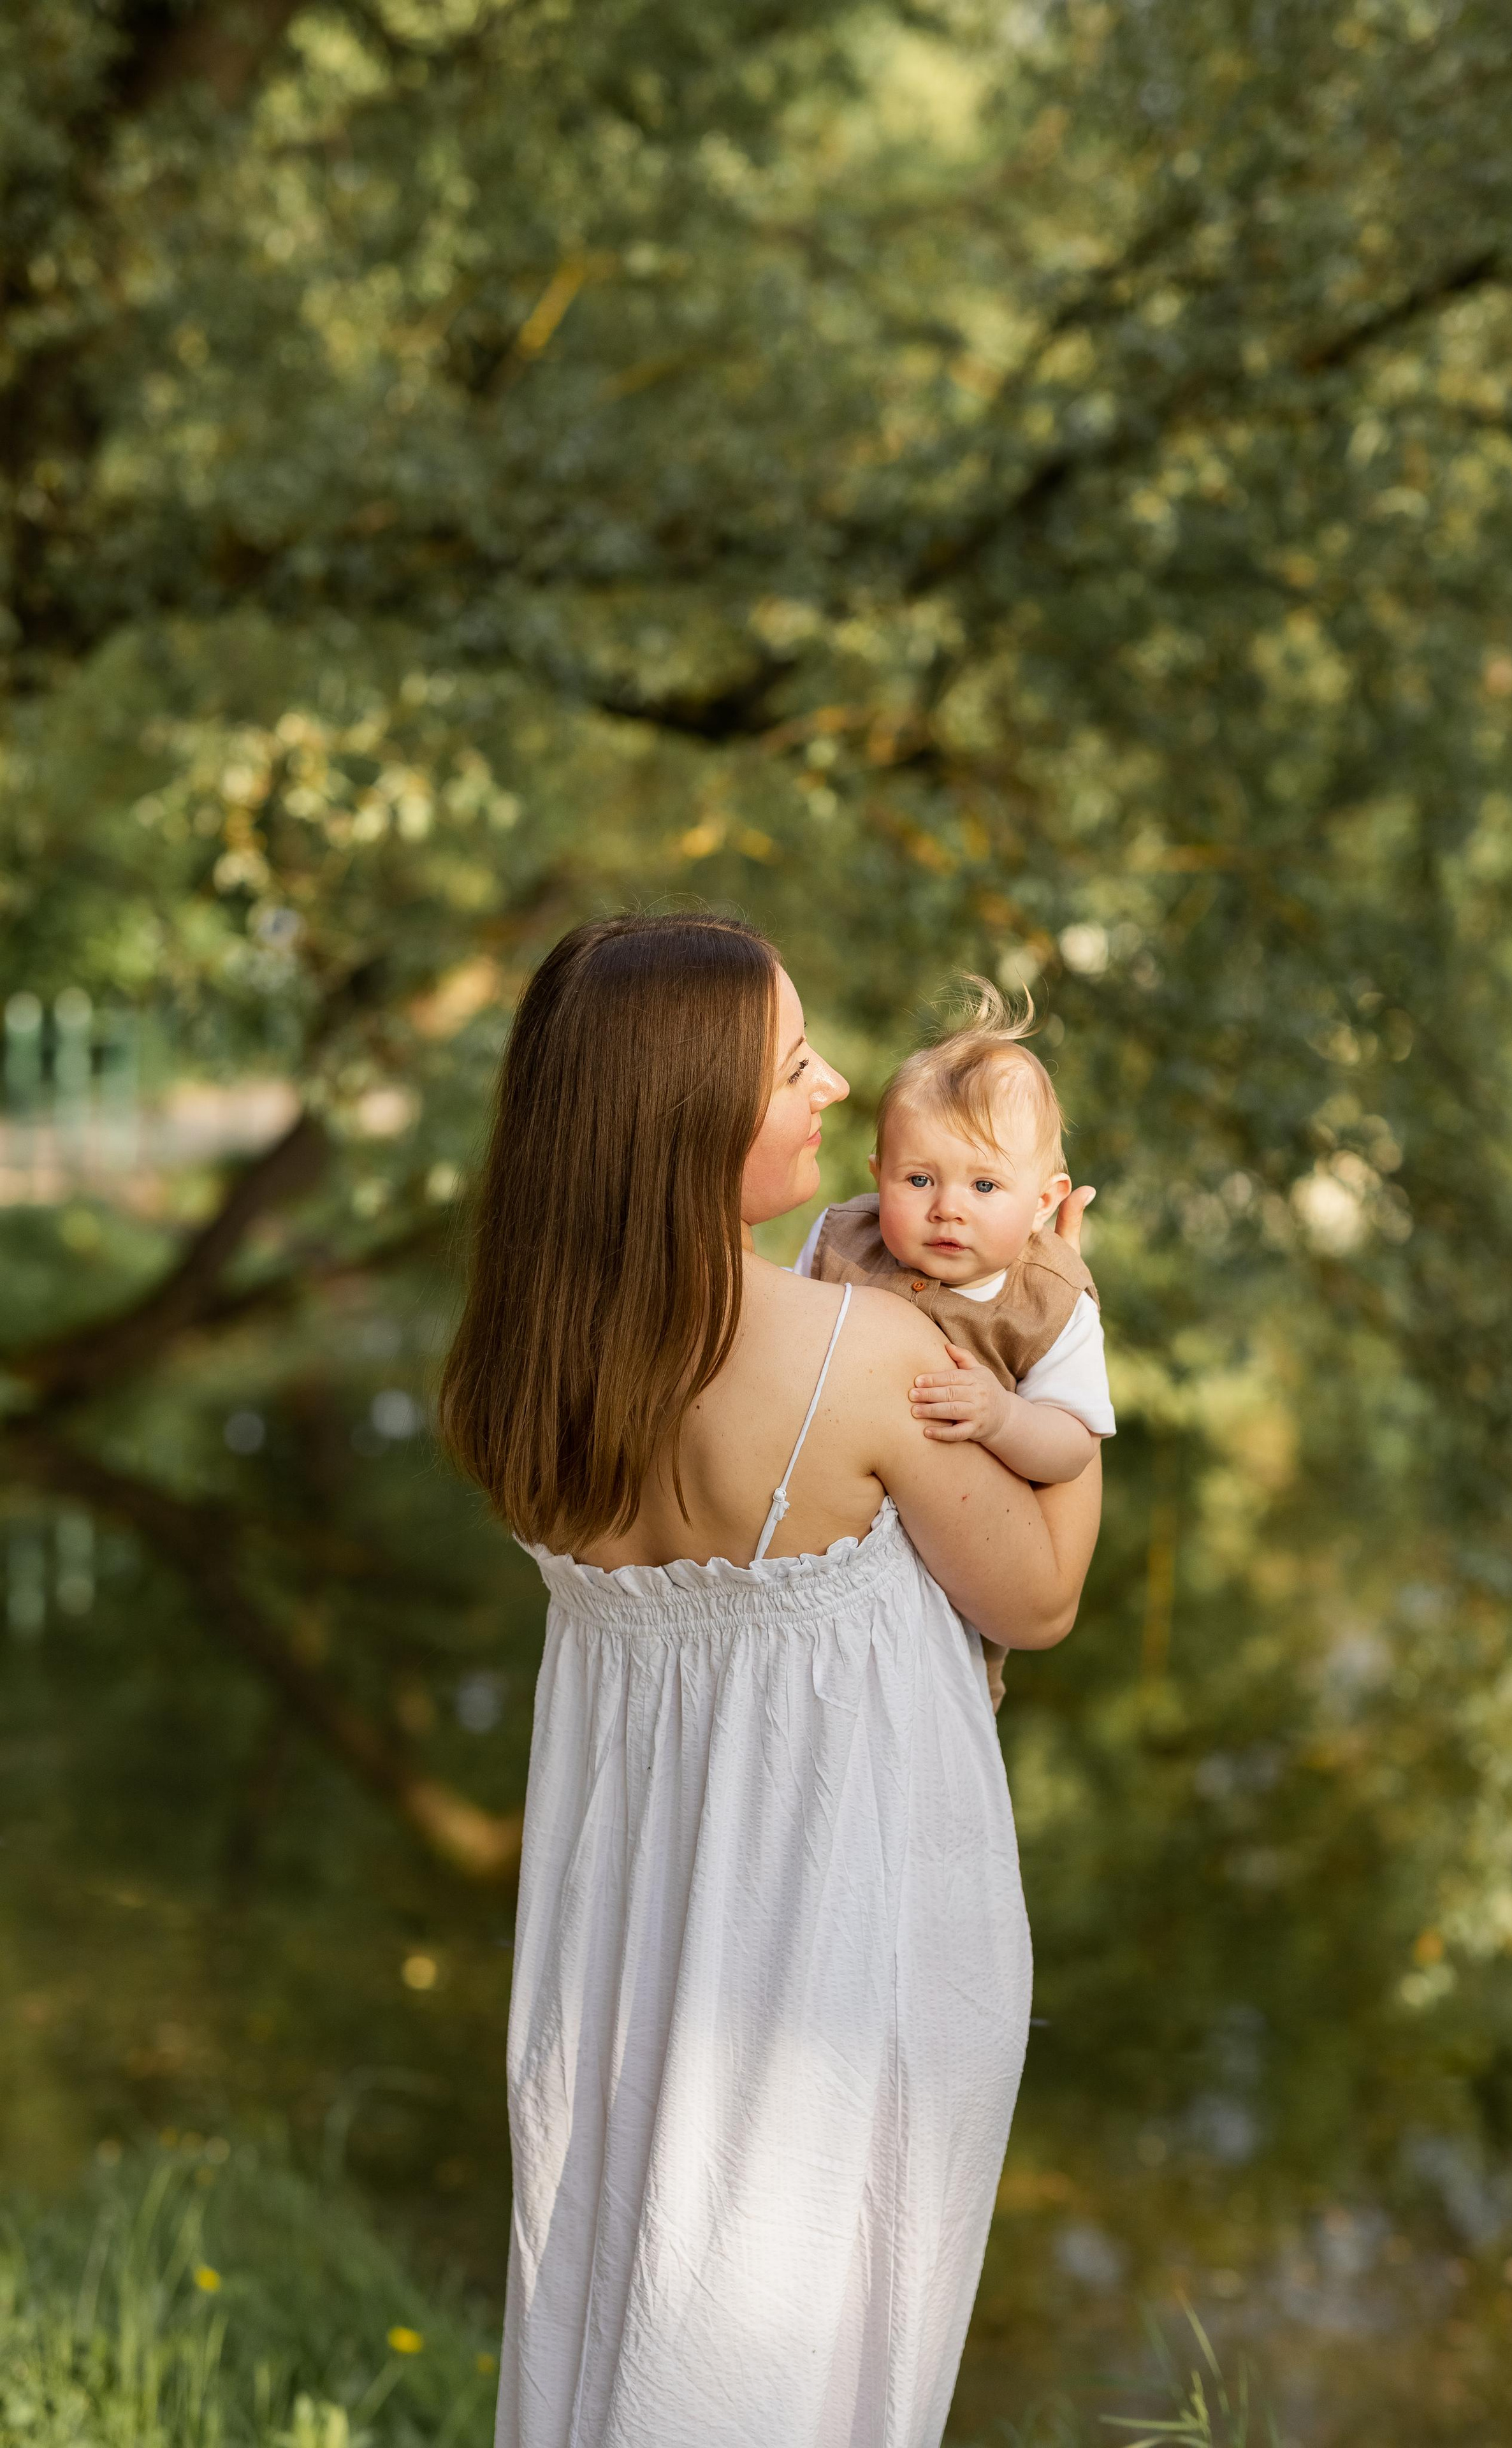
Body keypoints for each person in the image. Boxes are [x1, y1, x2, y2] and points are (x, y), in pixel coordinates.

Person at [439, 913, 1100, 2448]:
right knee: (795, 2352)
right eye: (793, 1065)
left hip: (627, 1941)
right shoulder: (855, 1354)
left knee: (623, 2276)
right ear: (686, 1120)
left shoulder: (523, 1368)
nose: (835, 1086)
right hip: (834, 1953)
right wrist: (1064, 1339)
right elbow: (1039, 1595)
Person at [797, 977, 1114, 1708]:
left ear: (1044, 1202)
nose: (947, 1208)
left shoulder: (1049, 1300)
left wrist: (1002, 1417)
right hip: (831, 1563)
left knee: (936, 1702)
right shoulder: (841, 1239)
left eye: (984, 1187)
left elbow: (1072, 1444)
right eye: (918, 1179)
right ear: (878, 1175)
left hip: (966, 1598)